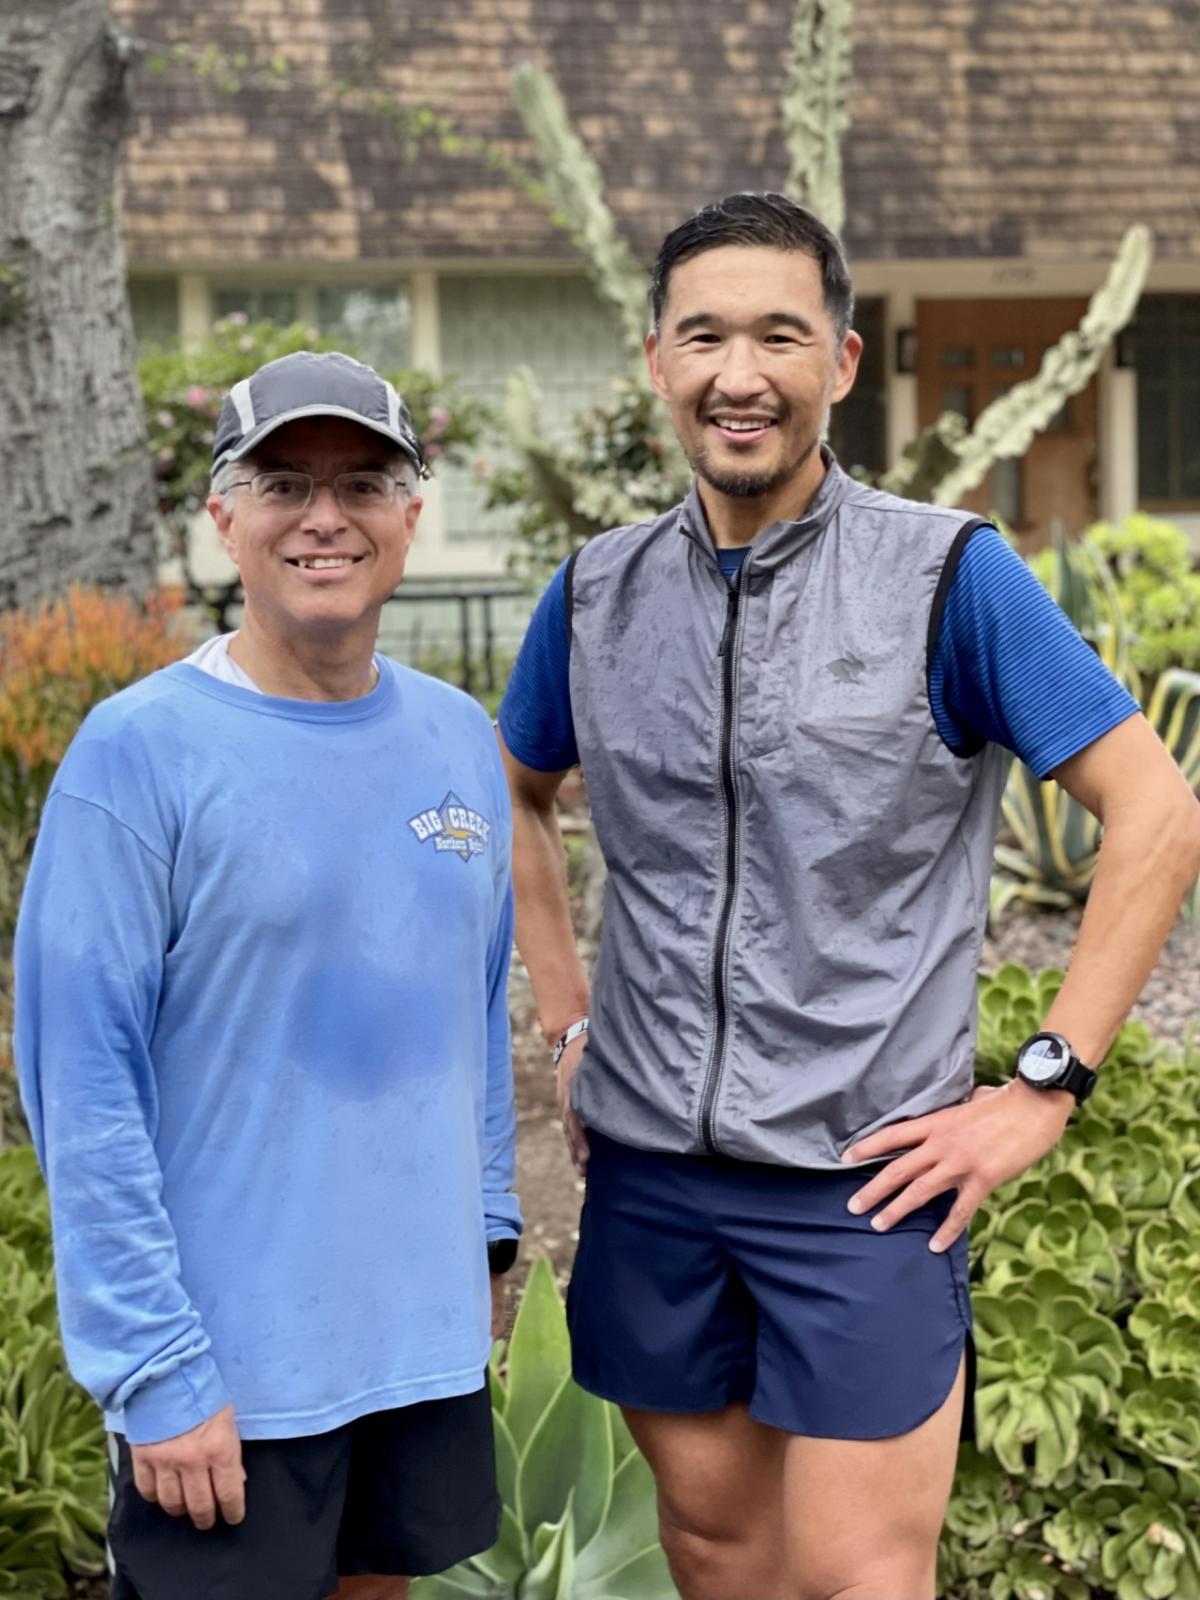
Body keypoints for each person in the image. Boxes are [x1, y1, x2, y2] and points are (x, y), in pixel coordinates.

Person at [497, 192, 1200, 1600]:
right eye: (703, 336)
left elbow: (1157, 810)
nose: (737, 373)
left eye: (777, 333)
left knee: (859, 1579)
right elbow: (517, 788)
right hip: (650, 1177)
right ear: (655, 360)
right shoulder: (595, 596)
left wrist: (1045, 1085)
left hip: (862, 1184)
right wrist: (567, 1024)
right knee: (710, 1550)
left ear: (842, 361)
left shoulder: (949, 578)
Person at [16, 350, 522, 1600]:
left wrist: (489, 1242)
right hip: (230, 1382)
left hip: (416, 1355)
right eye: (283, 481)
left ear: (414, 513)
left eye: (364, 483)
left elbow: (474, 1002)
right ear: (223, 518)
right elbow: (81, 1085)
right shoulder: (137, 754)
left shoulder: (460, 735)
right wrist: (155, 1368)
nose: (324, 518)